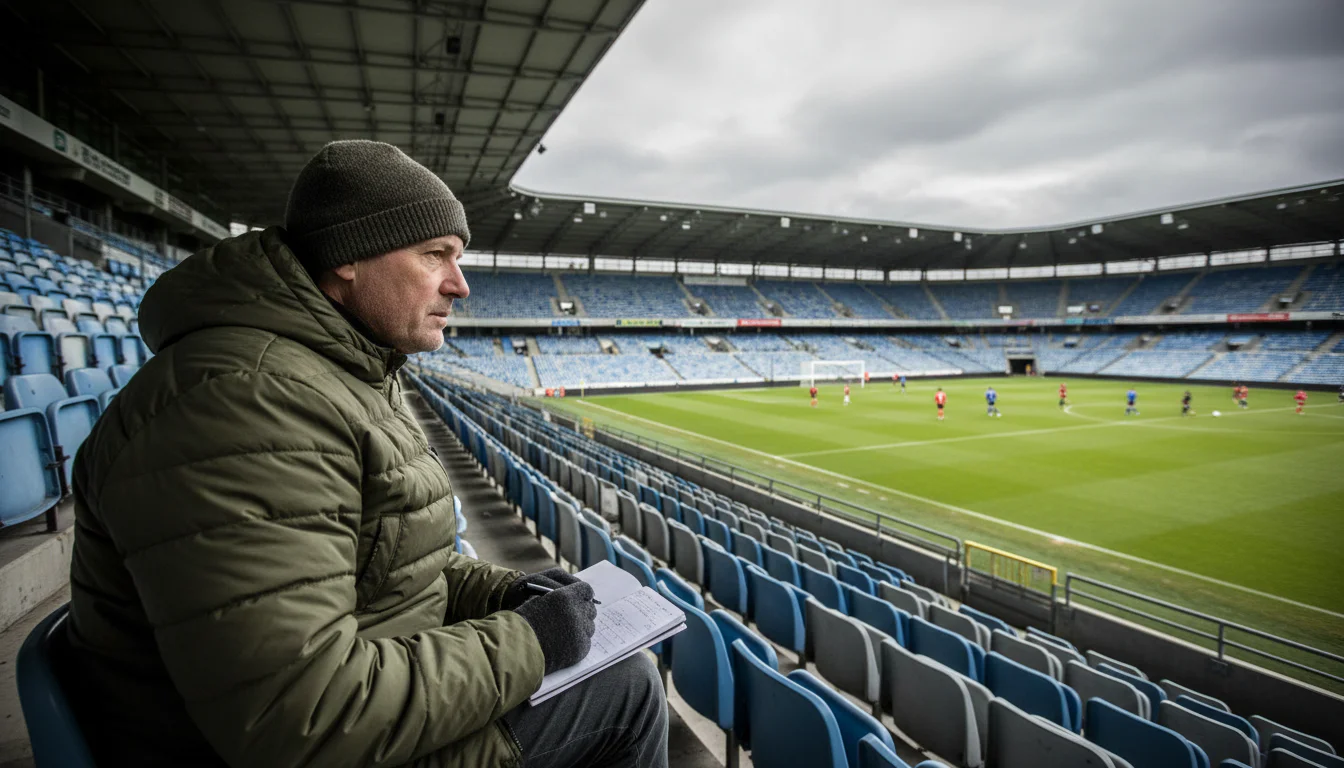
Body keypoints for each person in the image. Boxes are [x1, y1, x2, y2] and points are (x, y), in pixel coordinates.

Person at [64, 140, 667, 768]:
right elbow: (302, 716)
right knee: (626, 688)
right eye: (435, 254)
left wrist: (506, 593)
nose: (460, 285)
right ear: (349, 257)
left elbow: (388, 567)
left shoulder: (329, 377)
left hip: (353, 707)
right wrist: (530, 641)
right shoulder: (246, 404)